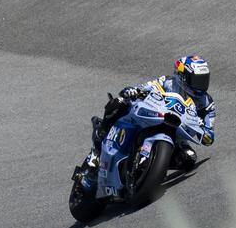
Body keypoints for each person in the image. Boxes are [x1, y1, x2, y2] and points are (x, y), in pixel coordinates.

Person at [86, 55, 216, 172]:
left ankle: (152, 169)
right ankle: (97, 149)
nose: (202, 85)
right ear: (183, 77)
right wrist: (134, 90)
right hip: (153, 116)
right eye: (198, 80)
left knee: (188, 158)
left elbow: (209, 138)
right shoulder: (167, 82)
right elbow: (146, 87)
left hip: (177, 134)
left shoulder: (207, 103)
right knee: (119, 103)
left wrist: (202, 129)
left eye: (204, 80)